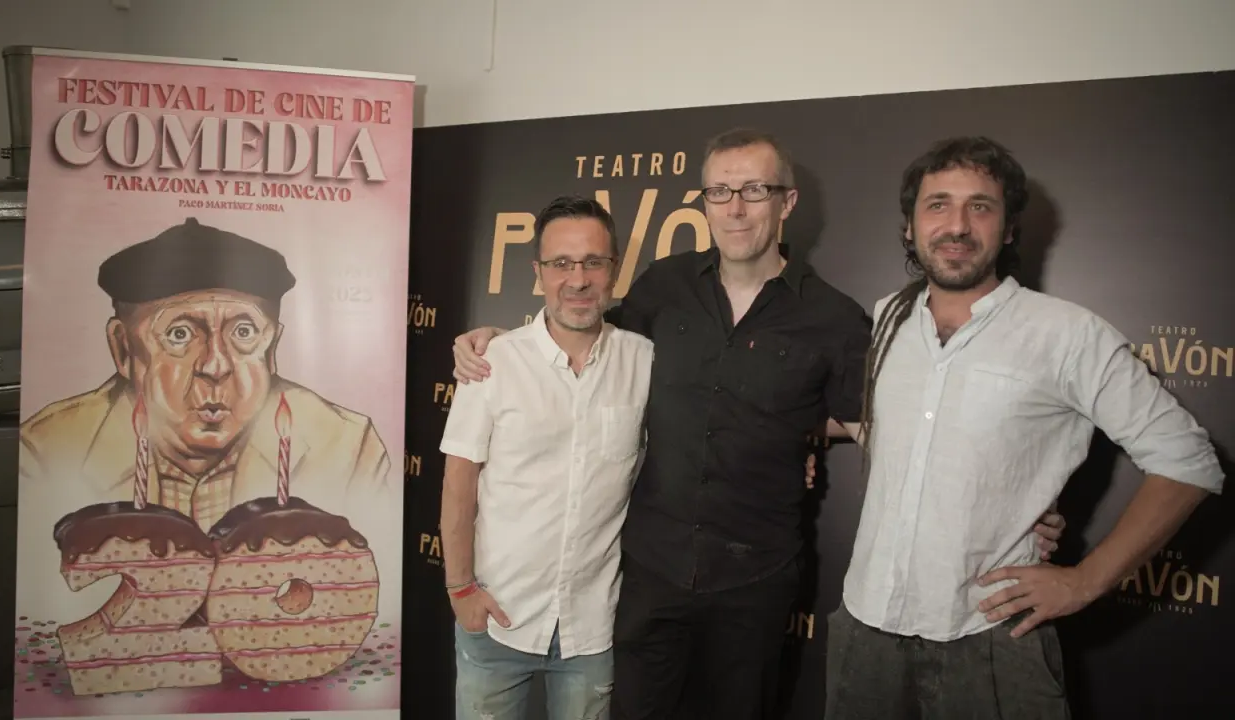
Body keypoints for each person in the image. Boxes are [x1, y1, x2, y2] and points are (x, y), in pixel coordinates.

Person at [452, 129, 1067, 719]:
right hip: (649, 575)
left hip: (754, 584)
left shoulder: (833, 318)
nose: (736, 208)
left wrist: (1008, 504)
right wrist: (504, 344)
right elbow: (590, 344)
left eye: (754, 190)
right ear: (705, 202)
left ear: (786, 202)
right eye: (720, 191)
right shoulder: (663, 286)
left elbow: (893, 430)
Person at [825, 136, 1226, 719]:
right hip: (864, 632)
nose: (957, 225)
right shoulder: (889, 317)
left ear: (1010, 227)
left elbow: (1188, 462)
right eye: (938, 204)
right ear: (909, 227)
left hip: (991, 639)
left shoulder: (1068, 334)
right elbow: (894, 429)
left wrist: (1084, 581)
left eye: (979, 206)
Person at [18, 217, 392, 532]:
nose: (215, 366)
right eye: (180, 334)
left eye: (243, 331)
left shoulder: (344, 447)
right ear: (123, 348)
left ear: (272, 348)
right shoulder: (47, 451)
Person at [439, 195, 653, 720]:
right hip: (497, 617)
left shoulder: (644, 360)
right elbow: (459, 485)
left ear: (614, 269)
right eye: (561, 263)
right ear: (538, 273)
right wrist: (460, 589)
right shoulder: (493, 361)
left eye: (592, 262)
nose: (577, 279)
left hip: (592, 627)